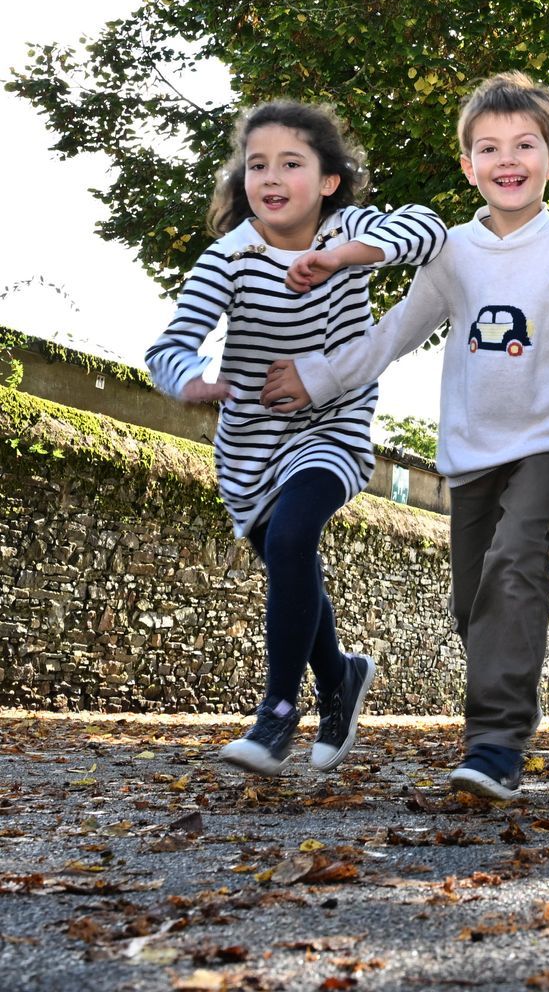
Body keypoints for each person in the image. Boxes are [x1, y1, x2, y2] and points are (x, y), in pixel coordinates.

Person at [261, 73, 549, 800]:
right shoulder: (450, 251)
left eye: (525, 146)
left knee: (517, 560)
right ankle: (499, 718)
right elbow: (393, 333)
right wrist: (318, 377)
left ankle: (496, 744)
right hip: (471, 451)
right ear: (467, 165)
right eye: (489, 148)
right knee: (471, 602)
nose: (507, 159)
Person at [146, 100, 446, 776]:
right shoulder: (231, 256)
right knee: (288, 560)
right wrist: (192, 379)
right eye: (257, 165)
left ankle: (278, 712)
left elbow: (427, 230)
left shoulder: (349, 226)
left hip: (332, 426)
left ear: (329, 180)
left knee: (292, 538)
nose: (270, 177)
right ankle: (339, 675)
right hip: (249, 446)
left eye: (291, 163)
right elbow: (169, 348)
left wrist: (343, 257)